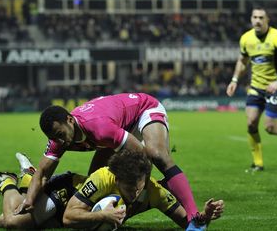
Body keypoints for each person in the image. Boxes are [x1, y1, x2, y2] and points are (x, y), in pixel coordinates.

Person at [23, 93, 199, 221]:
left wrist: (142, 190)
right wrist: (29, 201)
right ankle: (165, 186)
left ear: (70, 120)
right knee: (94, 179)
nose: (60, 141)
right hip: (115, 129)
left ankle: (193, 215)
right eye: (54, 138)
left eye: (61, 134)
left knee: (157, 154)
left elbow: (141, 155)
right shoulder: (58, 140)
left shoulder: (99, 128)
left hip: (142, 111)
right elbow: (43, 174)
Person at [0, 150, 224, 230]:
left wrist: (204, 217)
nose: (134, 193)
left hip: (83, 215)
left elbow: (187, 223)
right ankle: (7, 182)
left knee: (1, 221)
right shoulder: (104, 177)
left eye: (138, 186)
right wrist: (103, 216)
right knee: (14, 222)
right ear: (116, 178)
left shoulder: (152, 189)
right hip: (67, 195)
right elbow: (70, 217)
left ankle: (29, 178)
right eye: (127, 188)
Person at [226, 6, 277, 172]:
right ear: (251, 19)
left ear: (267, 20)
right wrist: (234, 80)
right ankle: (258, 163)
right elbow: (242, 60)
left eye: (261, 18)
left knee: (270, 128)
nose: (257, 21)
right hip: (256, 87)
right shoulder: (246, 39)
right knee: (251, 122)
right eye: (255, 17)